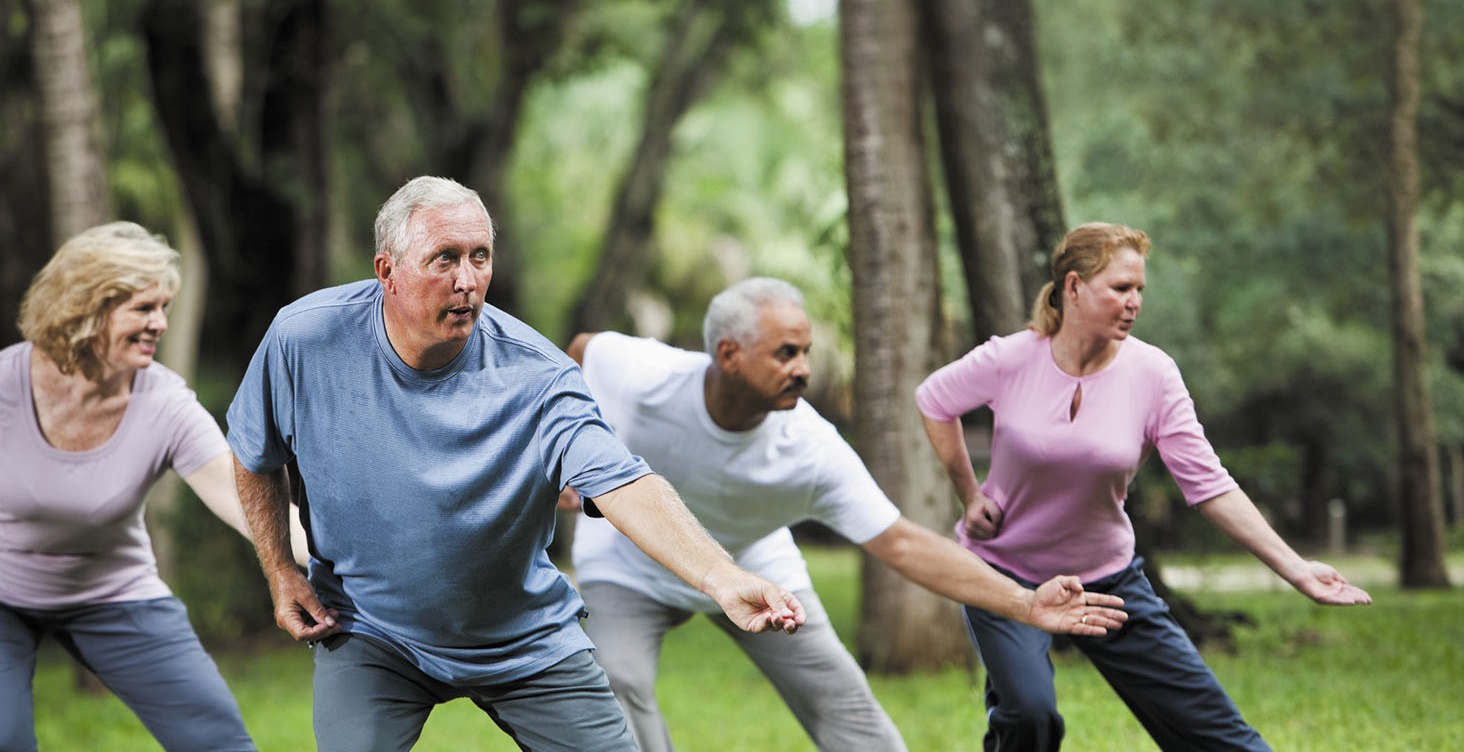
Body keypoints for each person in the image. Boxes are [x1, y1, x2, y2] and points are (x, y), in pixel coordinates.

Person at [226, 176, 806, 752]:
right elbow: (254, 450)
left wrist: (721, 577)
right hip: (371, 628)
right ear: (387, 272)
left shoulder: (538, 377)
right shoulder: (305, 340)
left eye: (480, 257)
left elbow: (624, 483)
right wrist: (280, 570)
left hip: (521, 636)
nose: (468, 281)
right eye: (445, 259)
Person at [561, 276, 1129, 752]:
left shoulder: (812, 447)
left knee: (843, 701)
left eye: (806, 351)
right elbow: (582, 350)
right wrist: (559, 451)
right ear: (729, 355)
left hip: (755, 568)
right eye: (787, 353)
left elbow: (902, 544)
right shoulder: (645, 375)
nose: (804, 368)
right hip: (629, 558)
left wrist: (1025, 602)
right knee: (617, 679)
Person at [915, 222, 1373, 751]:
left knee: (1216, 733)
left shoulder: (1153, 374)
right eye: (1120, 288)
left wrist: (1297, 569)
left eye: (1139, 290)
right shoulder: (1011, 359)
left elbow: (1209, 485)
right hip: (1005, 577)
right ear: (1073, 287)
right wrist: (969, 493)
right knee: (1028, 715)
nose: (1134, 303)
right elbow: (934, 400)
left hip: (1108, 581)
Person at [1, 222, 307, 752]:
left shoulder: (164, 404)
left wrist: (347, 553)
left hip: (114, 593)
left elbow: (245, 500)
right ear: (86, 308)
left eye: (164, 308)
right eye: (143, 309)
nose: (160, 324)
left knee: (217, 741)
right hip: (3, 594)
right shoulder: (6, 383)